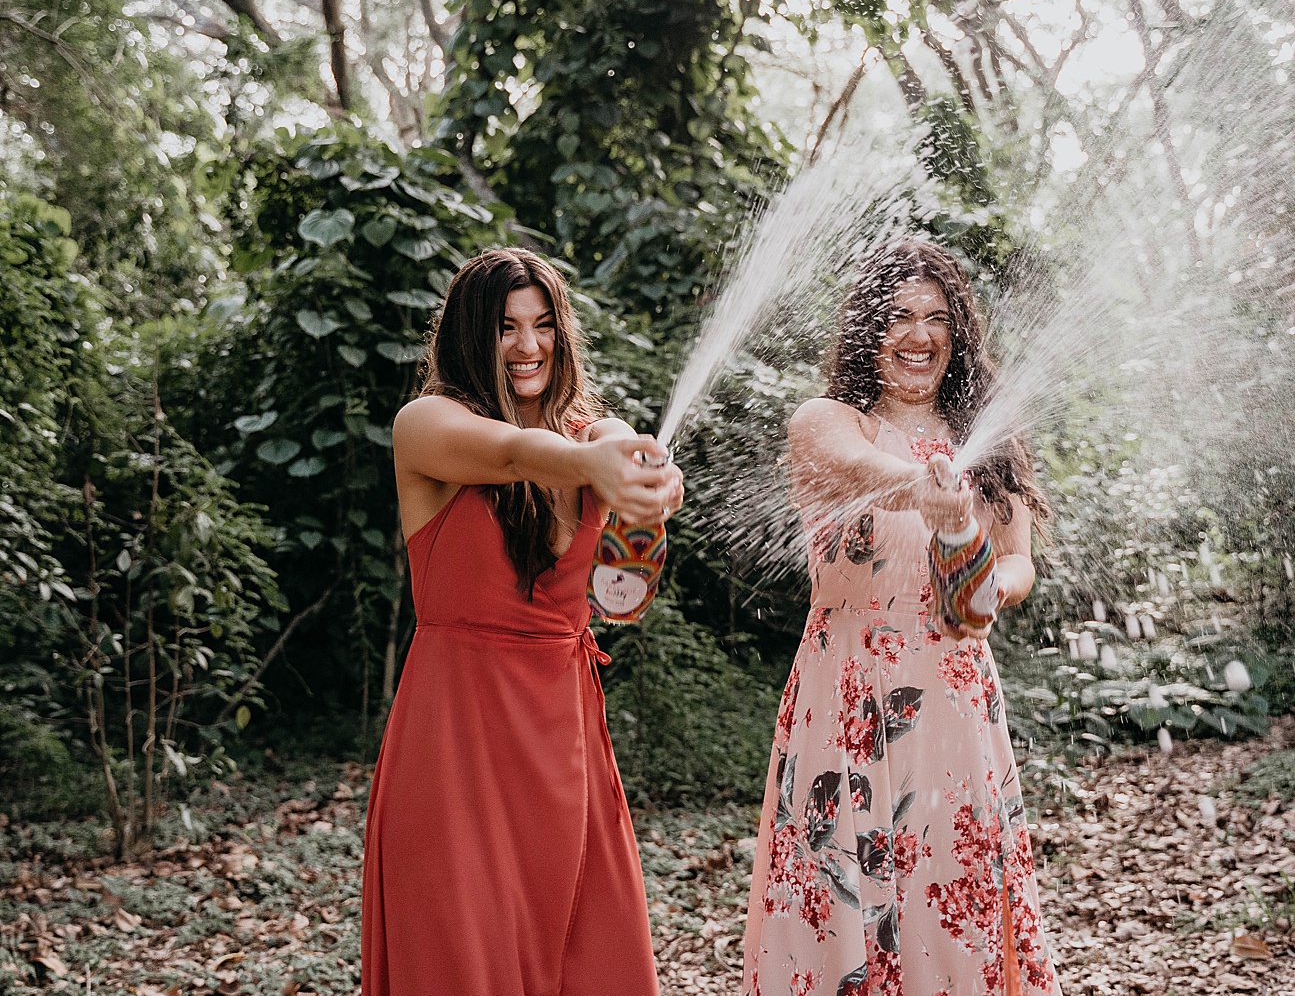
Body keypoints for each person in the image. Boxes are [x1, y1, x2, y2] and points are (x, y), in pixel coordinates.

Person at [741, 240, 1062, 996]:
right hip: (847, 690)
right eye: (900, 316)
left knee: (949, 889)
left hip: (952, 693)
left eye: (937, 317)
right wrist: (924, 487)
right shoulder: (826, 421)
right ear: (868, 330)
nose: (920, 335)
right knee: (838, 895)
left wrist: (992, 582)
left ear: (958, 333)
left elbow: (1018, 559)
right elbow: (856, 469)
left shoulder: (987, 435)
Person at [361, 248, 682, 995]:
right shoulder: (426, 425)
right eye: (506, 327)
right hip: (456, 744)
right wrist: (591, 465)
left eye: (543, 325)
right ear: (472, 336)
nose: (528, 346)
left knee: (591, 959)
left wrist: (642, 484)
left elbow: (624, 574)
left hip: (564, 743)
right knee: (461, 954)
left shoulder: (591, 437)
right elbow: (509, 454)